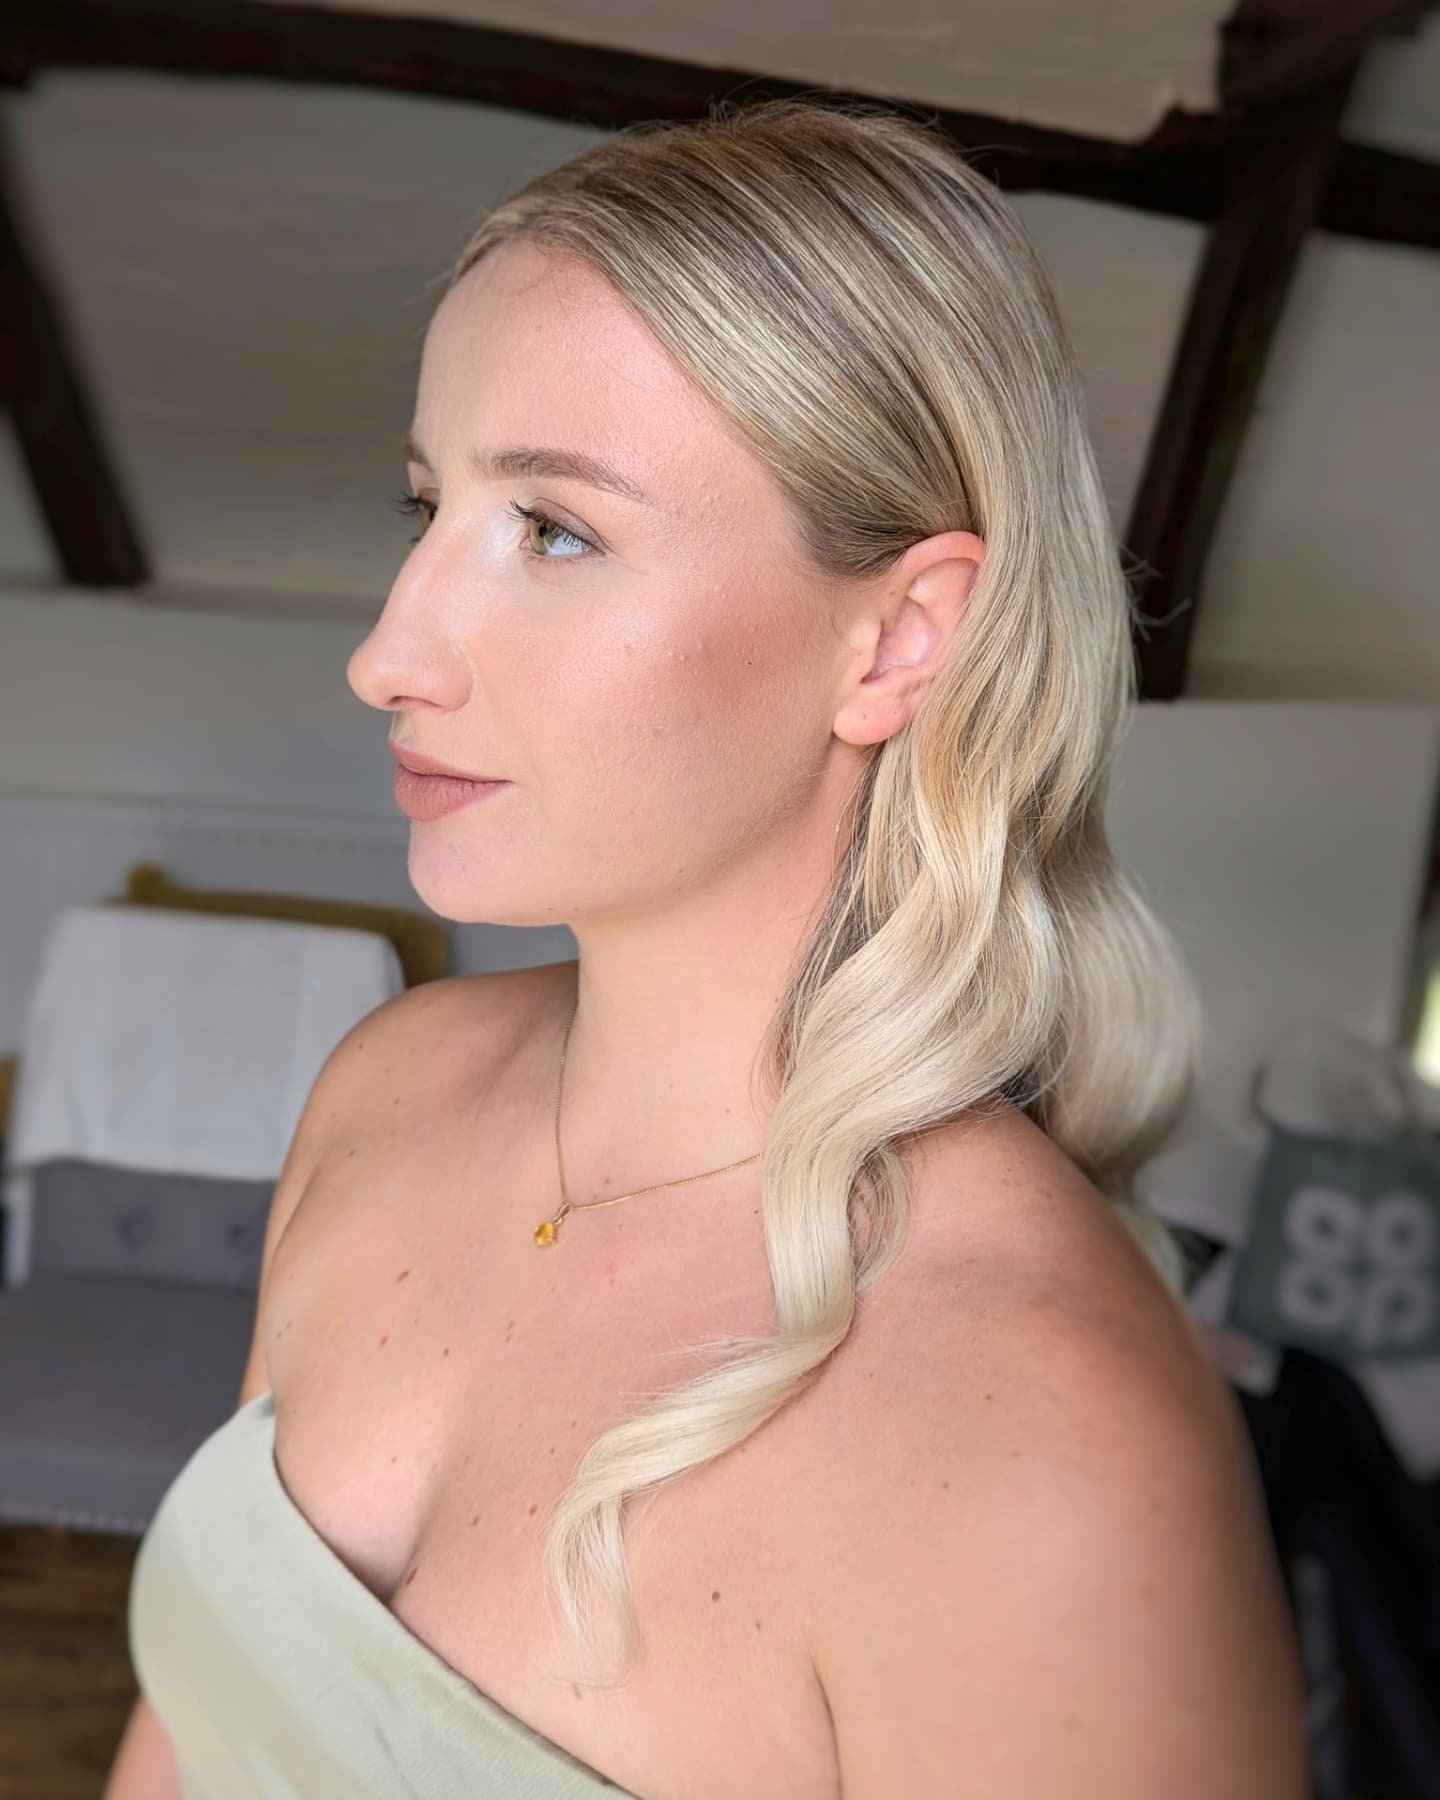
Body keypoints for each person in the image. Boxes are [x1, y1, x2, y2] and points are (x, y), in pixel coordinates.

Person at [107, 94, 1310, 1799]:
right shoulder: (389, 1084)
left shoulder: (1039, 1443)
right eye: (423, 508)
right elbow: (192, 1732)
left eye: (554, 530)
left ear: (898, 638)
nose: (390, 652)